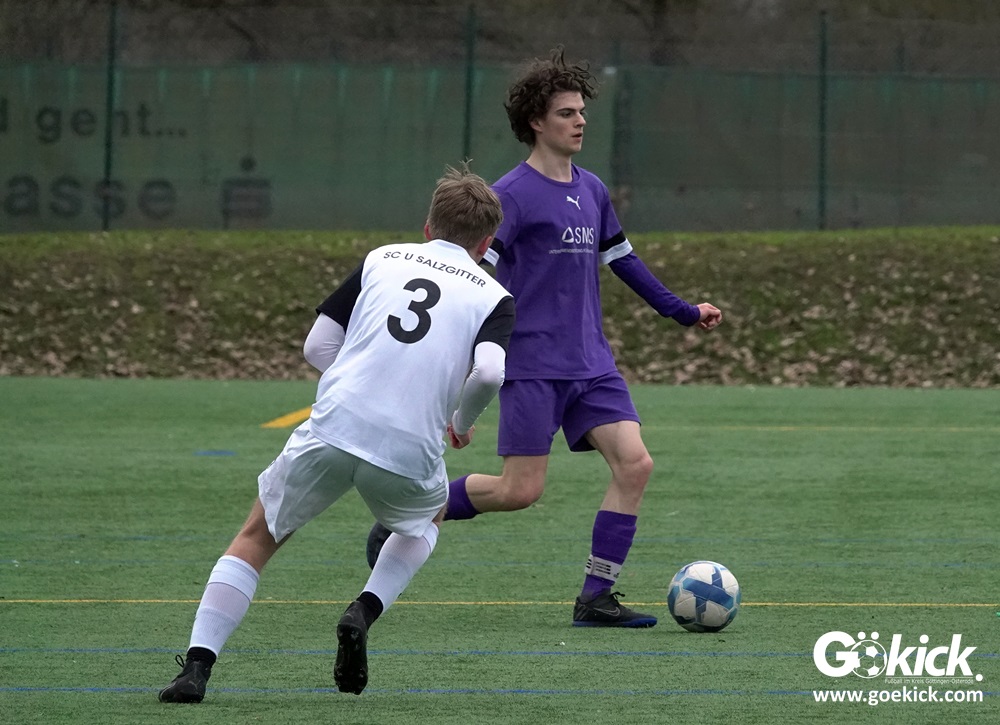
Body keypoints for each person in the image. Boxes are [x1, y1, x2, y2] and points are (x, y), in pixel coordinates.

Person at [367, 48, 722, 628]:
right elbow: (472, 280)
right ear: (536, 121)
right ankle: (410, 511)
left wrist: (682, 312)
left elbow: (623, 261)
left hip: (592, 364)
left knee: (635, 465)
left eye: (581, 112)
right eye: (566, 113)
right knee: (519, 491)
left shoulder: (593, 189)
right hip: (532, 364)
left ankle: (595, 597)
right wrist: (461, 363)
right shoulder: (510, 196)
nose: (580, 122)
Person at [158, 164, 515, 703]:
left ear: (427, 227)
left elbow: (316, 346)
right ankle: (363, 611)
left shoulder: (382, 258)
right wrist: (460, 424)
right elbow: (489, 373)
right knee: (429, 517)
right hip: (408, 447)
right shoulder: (494, 294)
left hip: (334, 424)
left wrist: (357, 383)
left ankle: (196, 669)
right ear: (486, 244)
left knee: (257, 536)